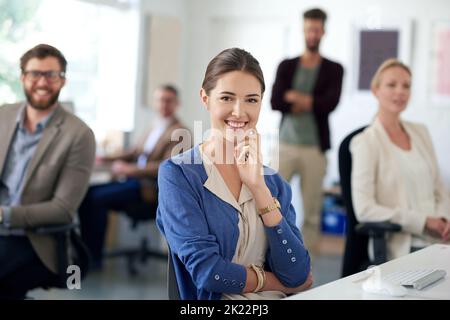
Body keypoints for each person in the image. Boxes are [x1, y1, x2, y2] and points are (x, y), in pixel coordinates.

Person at [157, 48, 312, 300]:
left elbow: (297, 273)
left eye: (251, 100)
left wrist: (259, 189)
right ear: (205, 98)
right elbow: (208, 272)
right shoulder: (179, 175)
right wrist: (275, 283)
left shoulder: (274, 183)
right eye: (227, 98)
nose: (239, 112)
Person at [0, 44, 96, 298]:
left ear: (62, 80)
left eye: (51, 75)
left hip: (35, 240)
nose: (42, 82)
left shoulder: (78, 134)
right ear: (23, 77)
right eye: (35, 74)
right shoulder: (3, 116)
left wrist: (3, 215)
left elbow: (62, 209)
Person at [78, 84, 190, 269]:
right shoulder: (155, 125)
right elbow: (135, 152)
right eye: (160, 100)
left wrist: (130, 170)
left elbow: (168, 166)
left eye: (168, 100)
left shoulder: (180, 132)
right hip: (134, 182)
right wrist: (106, 158)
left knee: (96, 198)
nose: (163, 104)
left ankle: (93, 258)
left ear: (177, 104)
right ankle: (86, 253)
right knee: (88, 193)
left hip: (149, 188)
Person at [351, 58, 450, 260]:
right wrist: (423, 221)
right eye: (391, 85)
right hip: (407, 246)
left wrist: (443, 219)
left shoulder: (421, 132)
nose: (400, 91)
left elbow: (440, 189)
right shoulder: (366, 142)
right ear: (375, 89)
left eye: (406, 86)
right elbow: (365, 209)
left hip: (440, 241)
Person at [270, 8, 344, 256]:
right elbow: (275, 102)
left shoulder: (334, 69)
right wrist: (311, 101)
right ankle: (269, 258)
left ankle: (305, 268)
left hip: (315, 148)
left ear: (323, 31)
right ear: (303, 31)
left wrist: (296, 97)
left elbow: (329, 104)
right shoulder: (287, 65)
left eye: (316, 29)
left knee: (312, 213)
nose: (312, 34)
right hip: (285, 145)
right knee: (270, 204)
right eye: (308, 29)